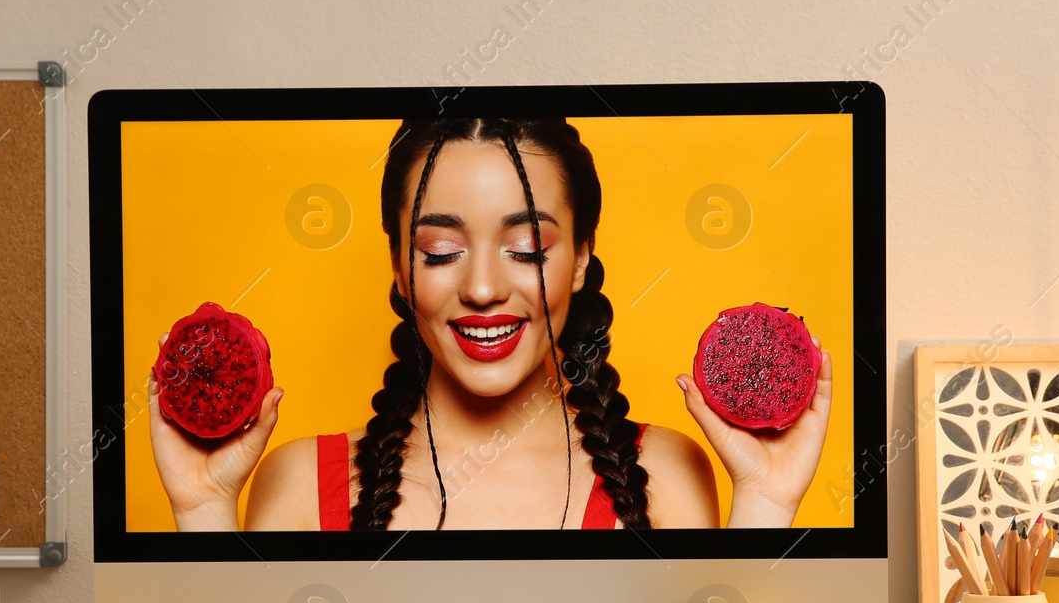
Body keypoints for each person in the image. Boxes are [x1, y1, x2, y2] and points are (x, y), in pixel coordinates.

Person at [148, 117, 832, 532]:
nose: (481, 287)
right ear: (398, 266)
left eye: (528, 248)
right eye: (440, 252)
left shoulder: (667, 475)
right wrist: (203, 505)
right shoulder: (297, 482)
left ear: (582, 260)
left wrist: (766, 500)